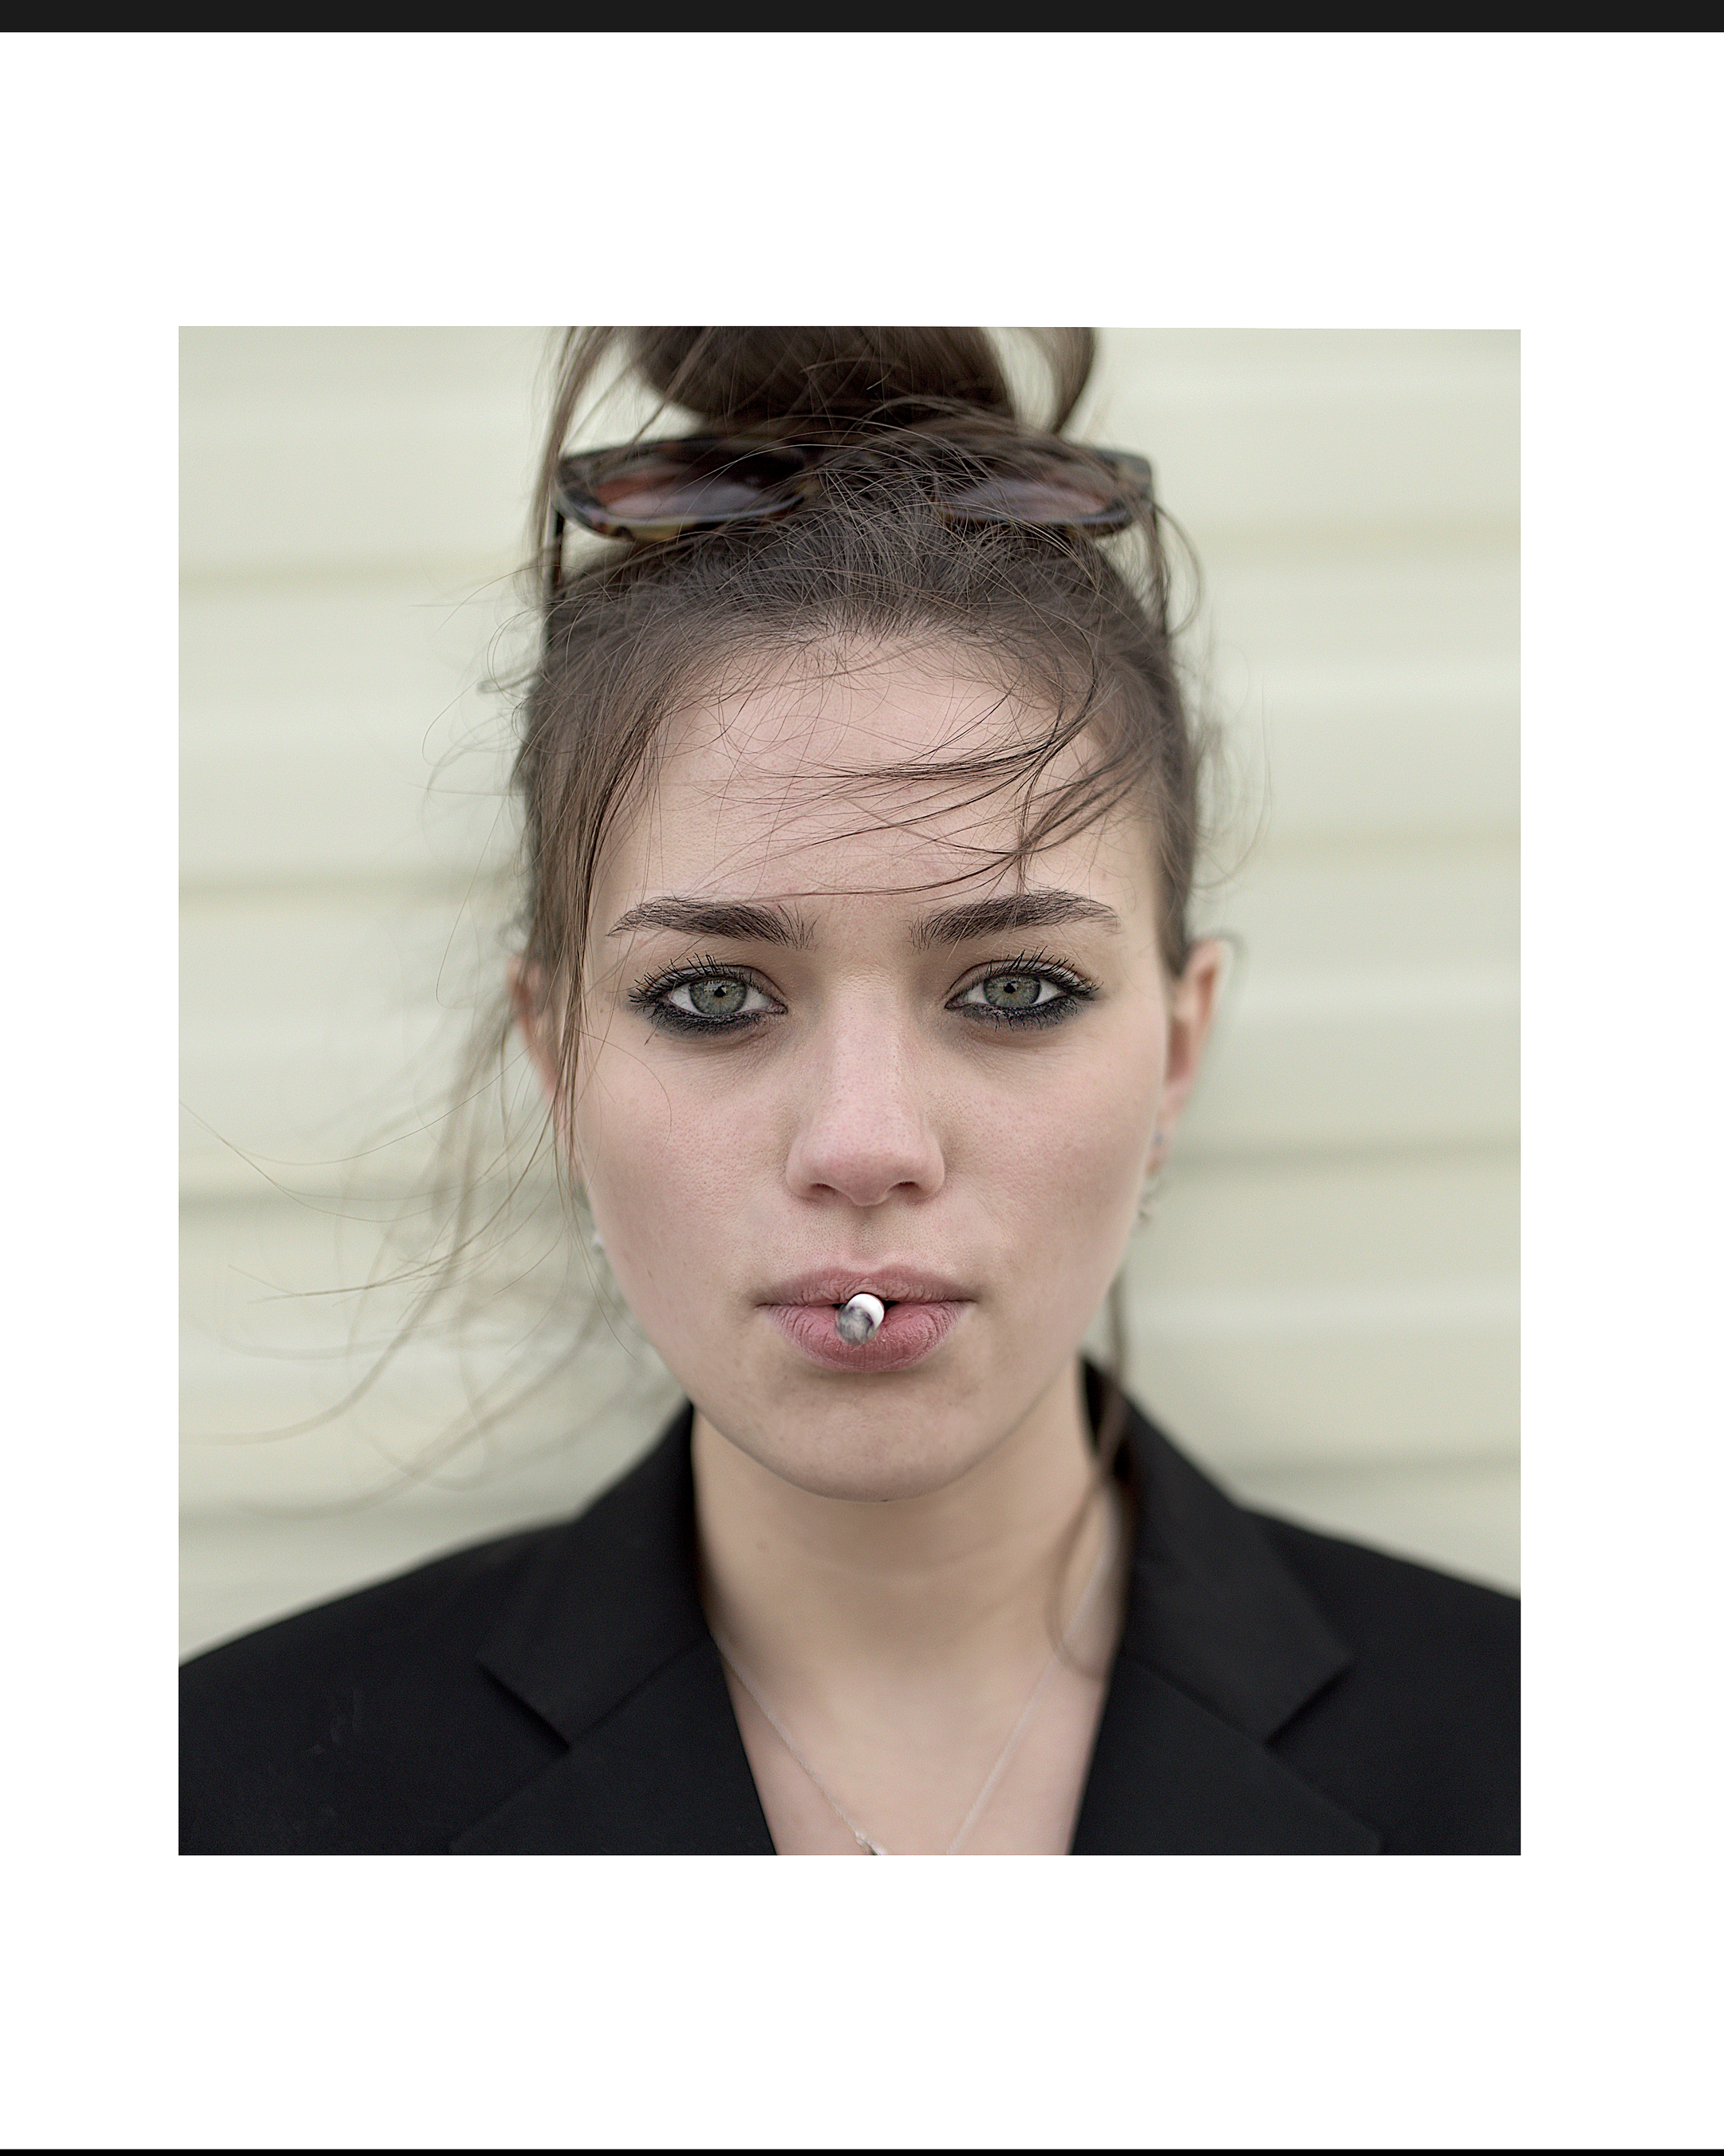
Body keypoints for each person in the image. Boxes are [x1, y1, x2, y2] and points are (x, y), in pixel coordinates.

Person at [180, 327, 1517, 1855]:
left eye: (1017, 989)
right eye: (712, 997)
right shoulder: (225, 1802)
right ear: (556, 1059)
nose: (865, 1145)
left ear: (1181, 1044)